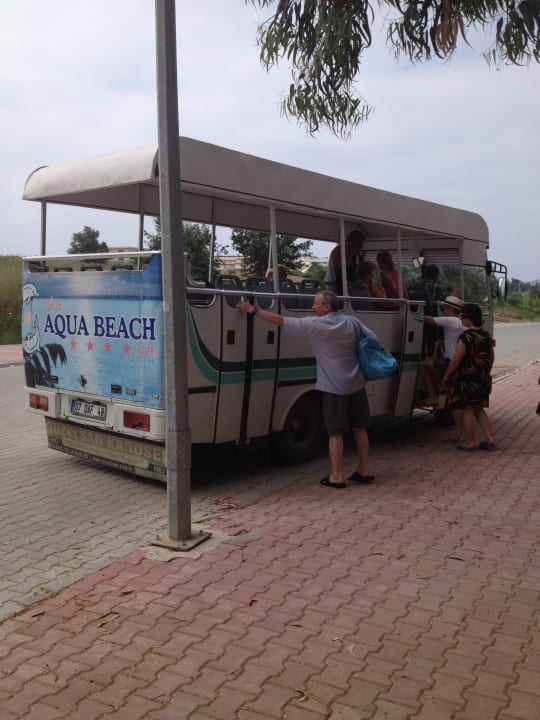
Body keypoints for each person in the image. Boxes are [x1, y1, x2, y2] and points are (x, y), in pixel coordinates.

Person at [236, 290, 377, 488]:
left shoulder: (315, 325)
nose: (313, 306)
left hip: (334, 386)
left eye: (316, 303)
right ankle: (364, 470)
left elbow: (279, 320)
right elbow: (373, 339)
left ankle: (337, 476)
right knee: (360, 428)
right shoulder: (352, 322)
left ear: (326, 307)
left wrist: (251, 309)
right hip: (356, 382)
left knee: (335, 432)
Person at [443, 303, 496, 452]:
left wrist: (447, 375)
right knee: (479, 409)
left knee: (468, 410)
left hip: (467, 380)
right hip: (482, 378)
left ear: (470, 318)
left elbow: (456, 359)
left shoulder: (466, 337)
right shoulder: (486, 336)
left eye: (463, 316)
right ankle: (489, 438)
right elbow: (491, 357)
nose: (460, 318)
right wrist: (485, 372)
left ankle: (470, 442)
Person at [420, 296, 464, 406]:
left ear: (450, 308)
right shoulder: (462, 322)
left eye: (443, 308)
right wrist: (444, 343)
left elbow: (427, 319)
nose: (442, 312)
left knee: (424, 366)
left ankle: (432, 397)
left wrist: (413, 311)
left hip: (451, 362)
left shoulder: (451, 320)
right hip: (462, 363)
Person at [324, 229, 366, 295]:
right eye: (359, 244)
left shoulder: (356, 255)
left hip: (346, 288)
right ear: (352, 241)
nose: (361, 247)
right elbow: (338, 269)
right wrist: (349, 254)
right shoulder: (340, 250)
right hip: (333, 288)